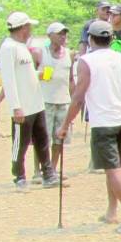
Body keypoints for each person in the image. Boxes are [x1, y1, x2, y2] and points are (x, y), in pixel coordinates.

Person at [57, 19, 121, 232]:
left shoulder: (86, 61)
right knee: (112, 167)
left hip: (103, 122)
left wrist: (65, 124)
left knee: (113, 169)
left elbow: (78, 97)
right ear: (111, 38)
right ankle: (112, 211)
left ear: (90, 39)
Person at [0, 12, 59, 190]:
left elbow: (23, 72)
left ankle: (48, 173)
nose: (30, 29)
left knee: (42, 140)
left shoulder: (22, 46)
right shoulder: (8, 47)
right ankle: (19, 176)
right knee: (21, 143)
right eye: (29, 26)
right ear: (23, 28)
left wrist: (38, 74)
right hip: (22, 107)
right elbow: (9, 80)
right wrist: (16, 107)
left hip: (36, 104)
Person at [40, 22, 73, 172]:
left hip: (63, 101)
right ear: (50, 36)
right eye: (59, 33)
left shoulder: (68, 54)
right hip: (45, 101)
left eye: (64, 33)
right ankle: (38, 171)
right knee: (42, 138)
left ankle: (52, 169)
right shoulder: (41, 53)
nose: (63, 36)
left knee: (59, 138)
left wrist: (73, 99)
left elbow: (71, 79)